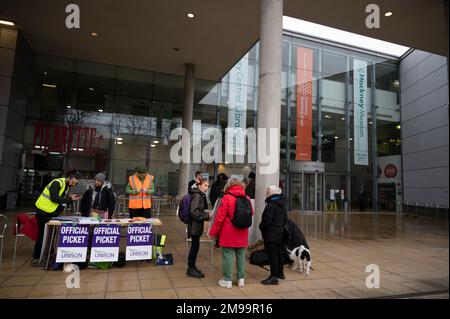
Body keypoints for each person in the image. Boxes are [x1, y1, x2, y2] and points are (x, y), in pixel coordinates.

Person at [209, 178, 254, 288]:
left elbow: (220, 218)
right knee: (241, 255)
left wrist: (213, 232)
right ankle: (241, 279)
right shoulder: (247, 198)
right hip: (243, 231)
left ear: (229, 185)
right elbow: (251, 213)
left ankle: (227, 280)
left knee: (228, 255)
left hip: (228, 231)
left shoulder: (226, 198)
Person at [31, 170, 81, 266]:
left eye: (76, 183)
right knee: (43, 235)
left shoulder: (66, 186)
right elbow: (54, 198)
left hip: (51, 214)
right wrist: (70, 199)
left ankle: (48, 254)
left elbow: (62, 200)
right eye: (73, 182)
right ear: (69, 178)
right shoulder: (57, 183)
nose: (73, 184)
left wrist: (70, 199)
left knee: (51, 235)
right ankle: (36, 258)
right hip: (43, 212)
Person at [259, 185, 288, 285]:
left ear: (272, 193)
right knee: (278, 253)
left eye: (267, 192)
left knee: (273, 255)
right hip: (280, 232)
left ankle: (274, 277)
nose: (266, 193)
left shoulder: (271, 204)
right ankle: (280, 273)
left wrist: (261, 226)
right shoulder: (282, 203)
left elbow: (266, 221)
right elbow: (285, 219)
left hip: (271, 233)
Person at [186, 178, 211, 278]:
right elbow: (194, 212)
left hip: (196, 226)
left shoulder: (199, 195)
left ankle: (192, 266)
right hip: (194, 226)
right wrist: (207, 216)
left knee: (195, 247)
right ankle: (191, 268)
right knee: (194, 247)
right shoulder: (197, 196)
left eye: (208, 186)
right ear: (199, 185)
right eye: (205, 185)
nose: (206, 188)